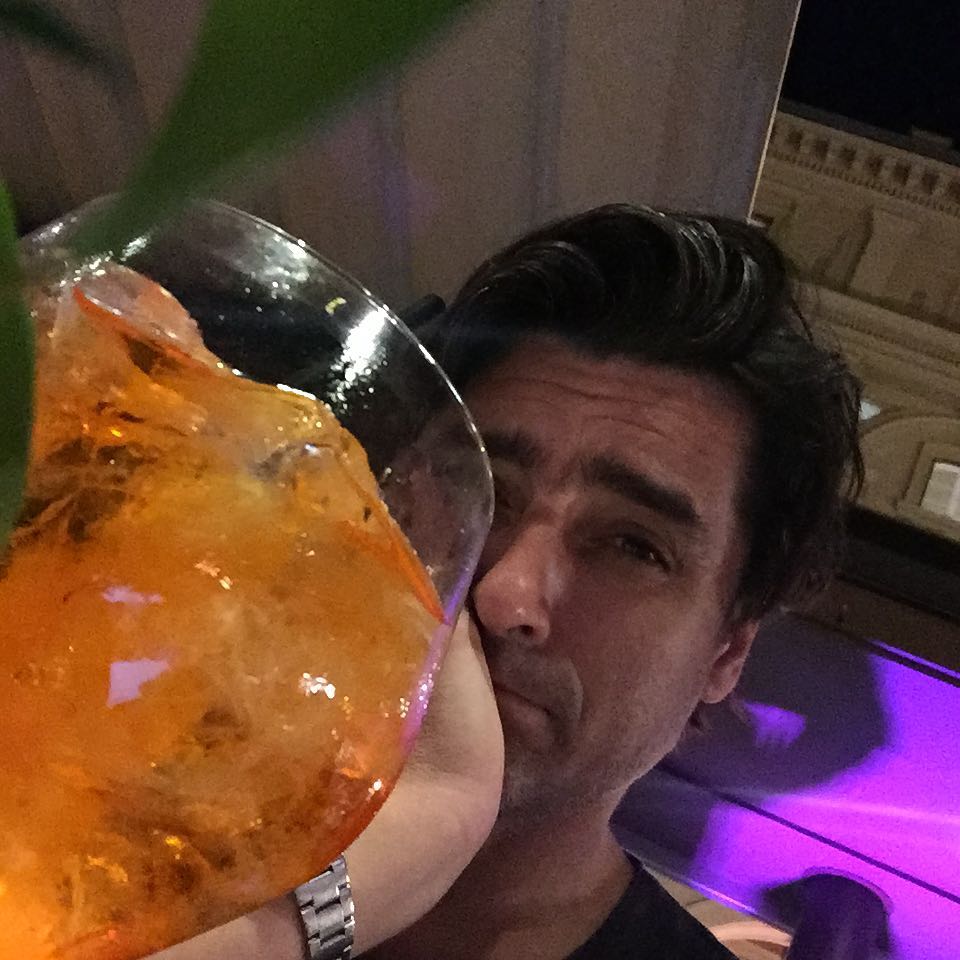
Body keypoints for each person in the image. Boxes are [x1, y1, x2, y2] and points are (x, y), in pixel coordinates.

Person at [158, 204, 863, 959]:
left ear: (726, 654)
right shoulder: (151, 816)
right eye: (484, 489)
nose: (505, 594)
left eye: (633, 546)